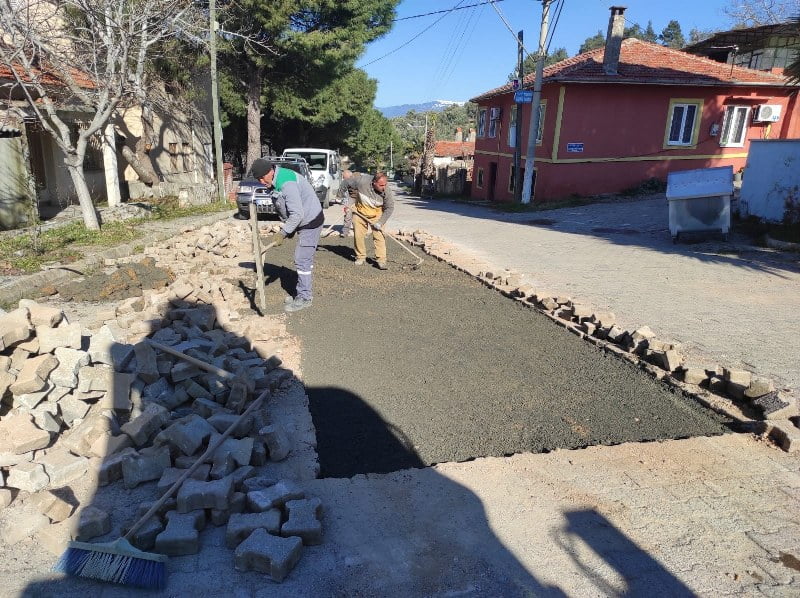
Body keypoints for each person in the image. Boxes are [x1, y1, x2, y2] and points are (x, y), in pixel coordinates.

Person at [251, 158, 324, 312]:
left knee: (302, 258)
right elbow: (283, 206)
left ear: (270, 172)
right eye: (258, 180)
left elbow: (297, 214)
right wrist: (289, 227)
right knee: (304, 259)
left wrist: (283, 232)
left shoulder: (286, 183)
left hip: (311, 221)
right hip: (303, 219)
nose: (261, 182)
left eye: (262, 178)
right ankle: (302, 291)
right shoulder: (274, 180)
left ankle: (305, 297)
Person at [351, 171, 394, 270]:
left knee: (379, 237)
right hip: (359, 212)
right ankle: (360, 257)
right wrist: (341, 197)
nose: (384, 187)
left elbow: (390, 208)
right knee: (358, 235)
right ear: (374, 183)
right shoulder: (362, 181)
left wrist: (380, 222)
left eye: (385, 184)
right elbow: (347, 183)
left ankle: (381, 260)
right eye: (381, 185)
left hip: (377, 213)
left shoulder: (386, 191)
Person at [336, 169, 364, 237]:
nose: (343, 178)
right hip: (352, 198)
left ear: (348, 175)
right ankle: (345, 232)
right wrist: (339, 198)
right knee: (348, 213)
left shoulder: (358, 178)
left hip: (362, 197)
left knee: (362, 215)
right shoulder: (346, 181)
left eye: (344, 176)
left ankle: (361, 232)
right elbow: (342, 189)